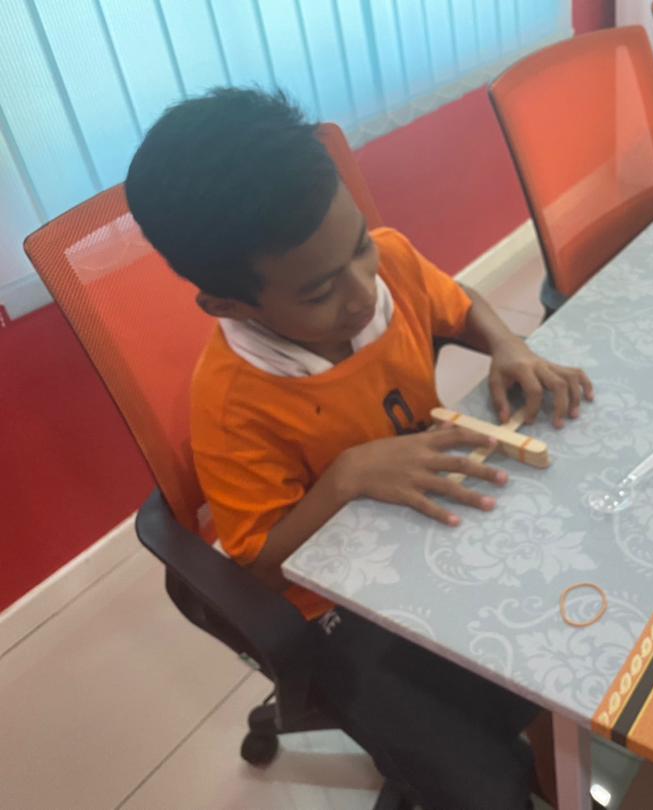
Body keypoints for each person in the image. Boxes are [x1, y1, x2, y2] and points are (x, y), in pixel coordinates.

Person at [125, 87, 593, 809]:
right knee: (483, 783)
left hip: (422, 531)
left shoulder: (389, 264)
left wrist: (508, 344)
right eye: (319, 292)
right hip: (336, 610)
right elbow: (259, 567)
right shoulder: (232, 403)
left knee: (570, 643)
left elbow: (456, 302)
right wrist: (344, 479)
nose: (363, 291)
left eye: (359, 246)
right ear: (229, 306)